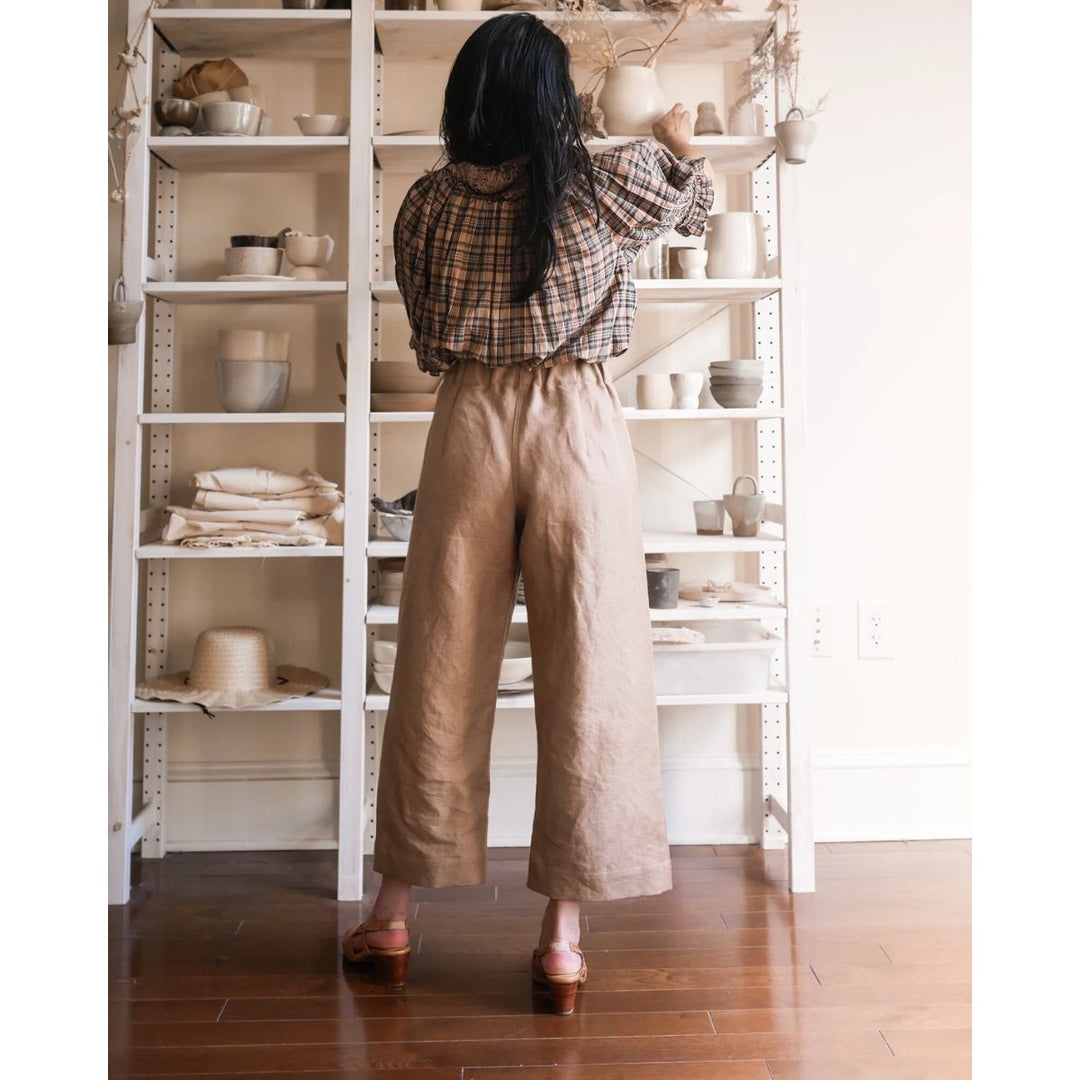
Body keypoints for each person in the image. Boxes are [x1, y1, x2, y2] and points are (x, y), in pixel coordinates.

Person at [342, 12, 716, 1015]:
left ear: (469, 97)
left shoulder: (424, 203)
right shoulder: (600, 181)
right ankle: (562, 938)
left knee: (438, 656)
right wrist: (678, 143)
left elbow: (426, 335)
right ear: (559, 99)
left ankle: (389, 914)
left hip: (469, 416)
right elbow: (693, 204)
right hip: (576, 418)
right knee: (592, 660)